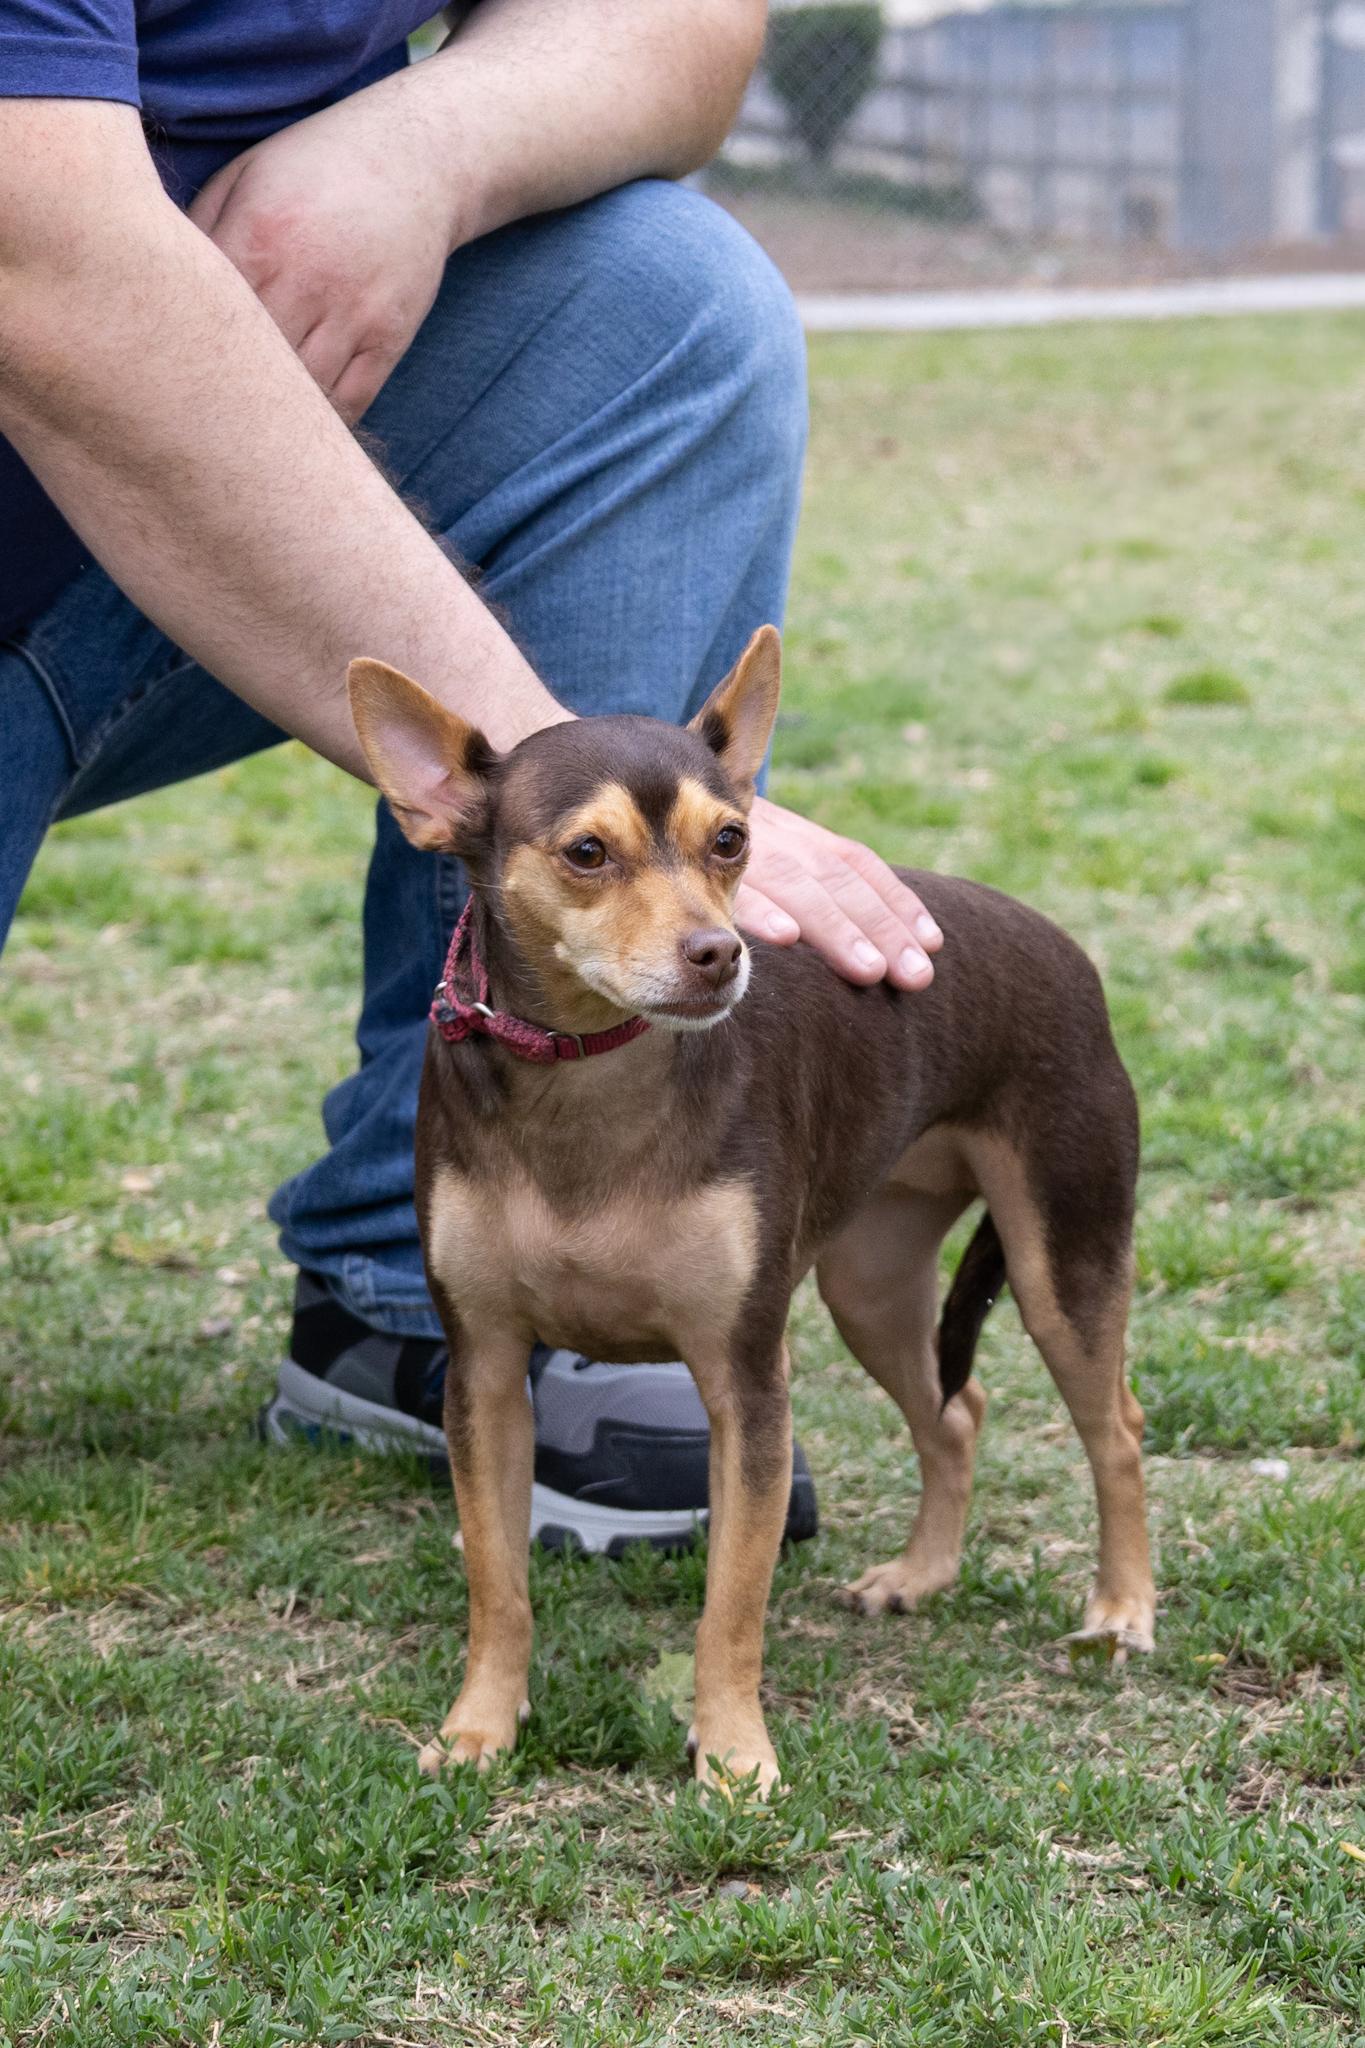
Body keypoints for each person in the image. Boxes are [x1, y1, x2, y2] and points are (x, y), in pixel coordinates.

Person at [0, 0, 944, 1551]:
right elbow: (40, 249)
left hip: (141, 520)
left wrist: (423, 145)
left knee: (667, 303)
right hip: (71, 353)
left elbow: (679, 25)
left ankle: (433, 1270)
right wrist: (558, 793)